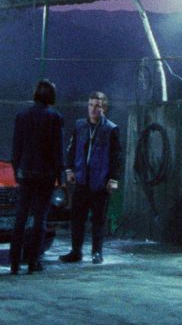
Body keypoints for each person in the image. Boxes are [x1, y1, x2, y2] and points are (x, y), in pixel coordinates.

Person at [59, 90, 122, 265]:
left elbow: (116, 156)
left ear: (104, 108)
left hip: (100, 181)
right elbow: (71, 148)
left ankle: (97, 252)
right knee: (77, 217)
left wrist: (113, 178)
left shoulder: (111, 129)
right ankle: (76, 251)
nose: (94, 109)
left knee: (98, 219)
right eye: (91, 105)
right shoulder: (80, 126)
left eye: (98, 106)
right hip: (81, 179)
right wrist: (70, 169)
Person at [9, 79, 63, 274]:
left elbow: (17, 146)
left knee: (21, 218)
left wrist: (17, 169)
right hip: (45, 175)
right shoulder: (55, 118)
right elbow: (57, 150)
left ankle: (14, 263)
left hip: (25, 172)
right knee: (40, 220)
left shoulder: (22, 115)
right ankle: (34, 261)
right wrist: (60, 175)